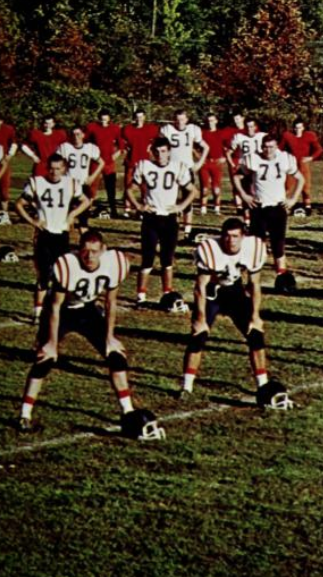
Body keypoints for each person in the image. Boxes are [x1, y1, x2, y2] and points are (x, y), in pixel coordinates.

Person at [19, 231, 144, 433]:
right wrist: (51, 342)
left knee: (116, 356)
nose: (89, 256)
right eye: (85, 251)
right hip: (61, 313)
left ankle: (128, 412)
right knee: (44, 359)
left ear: (103, 250)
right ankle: (25, 415)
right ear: (78, 251)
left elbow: (111, 302)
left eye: (94, 251)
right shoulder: (67, 265)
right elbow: (55, 306)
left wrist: (110, 336)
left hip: (88, 310)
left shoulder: (115, 263)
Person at [180, 217, 287, 405]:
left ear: (243, 236)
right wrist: (200, 318)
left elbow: (254, 284)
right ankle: (186, 387)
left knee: (255, 334)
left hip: (235, 292)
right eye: (227, 236)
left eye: (235, 236)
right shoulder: (209, 249)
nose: (231, 241)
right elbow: (200, 288)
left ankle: (262, 384)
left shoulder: (253, 247)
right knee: (198, 336)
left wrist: (255, 316)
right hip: (213, 293)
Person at [128, 136, 198, 306]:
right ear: (152, 152)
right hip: (151, 217)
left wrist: (180, 206)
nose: (160, 155)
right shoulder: (145, 165)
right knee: (147, 258)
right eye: (157, 151)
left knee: (167, 258)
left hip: (169, 218)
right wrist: (139, 206)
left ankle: (167, 292)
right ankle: (141, 296)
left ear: (169, 152)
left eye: (164, 151)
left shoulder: (177, 167)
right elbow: (130, 190)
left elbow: (193, 191)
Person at [18, 153, 87, 322]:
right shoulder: (37, 182)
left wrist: (72, 214)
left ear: (64, 169)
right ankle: (38, 312)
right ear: (47, 168)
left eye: (58, 168)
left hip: (62, 234)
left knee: (62, 273)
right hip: (44, 234)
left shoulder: (71, 183)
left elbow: (86, 201)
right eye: (51, 168)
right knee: (44, 273)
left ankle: (61, 307)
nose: (54, 172)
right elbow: (19, 204)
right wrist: (33, 221)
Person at [234, 132, 299, 287]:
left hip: (278, 206)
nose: (268, 150)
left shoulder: (285, 158)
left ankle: (281, 276)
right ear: (261, 147)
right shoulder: (253, 158)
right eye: (265, 147)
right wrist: (245, 196)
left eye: (271, 147)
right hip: (259, 207)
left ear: (277, 147)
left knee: (278, 243)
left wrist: (294, 199)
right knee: (256, 243)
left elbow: (300, 179)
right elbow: (237, 177)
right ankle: (247, 274)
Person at [59, 125, 103, 228]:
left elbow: (102, 163)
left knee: (83, 219)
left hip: (83, 185)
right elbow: (57, 163)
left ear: (83, 135)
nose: (76, 137)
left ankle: (83, 241)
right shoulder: (65, 147)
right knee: (65, 217)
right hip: (68, 185)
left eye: (78, 134)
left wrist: (92, 177)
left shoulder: (90, 148)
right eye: (73, 134)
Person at [86, 112, 123, 219]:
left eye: (105, 119)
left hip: (108, 162)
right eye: (102, 119)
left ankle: (113, 209)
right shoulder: (92, 127)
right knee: (92, 186)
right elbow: (86, 142)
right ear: (99, 119)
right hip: (96, 161)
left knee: (111, 186)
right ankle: (87, 208)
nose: (103, 121)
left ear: (109, 119)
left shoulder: (115, 128)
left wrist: (115, 156)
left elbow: (121, 145)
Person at [282, 120, 322, 217]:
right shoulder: (288, 136)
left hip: (303, 163)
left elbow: (319, 149)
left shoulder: (309, 136)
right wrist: (285, 158)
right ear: (293, 128)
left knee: (306, 186)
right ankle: (286, 205)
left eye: (300, 127)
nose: (298, 130)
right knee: (288, 186)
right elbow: (280, 148)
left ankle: (307, 206)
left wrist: (311, 157)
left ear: (303, 128)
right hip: (291, 163)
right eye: (296, 128)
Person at [200, 113, 231, 216]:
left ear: (216, 121)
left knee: (216, 188)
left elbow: (228, 148)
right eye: (208, 121)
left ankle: (217, 207)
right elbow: (194, 147)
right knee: (205, 187)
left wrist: (225, 158)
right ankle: (203, 207)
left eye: (212, 120)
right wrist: (200, 158)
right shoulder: (202, 133)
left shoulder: (221, 133)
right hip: (205, 162)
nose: (210, 123)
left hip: (217, 163)